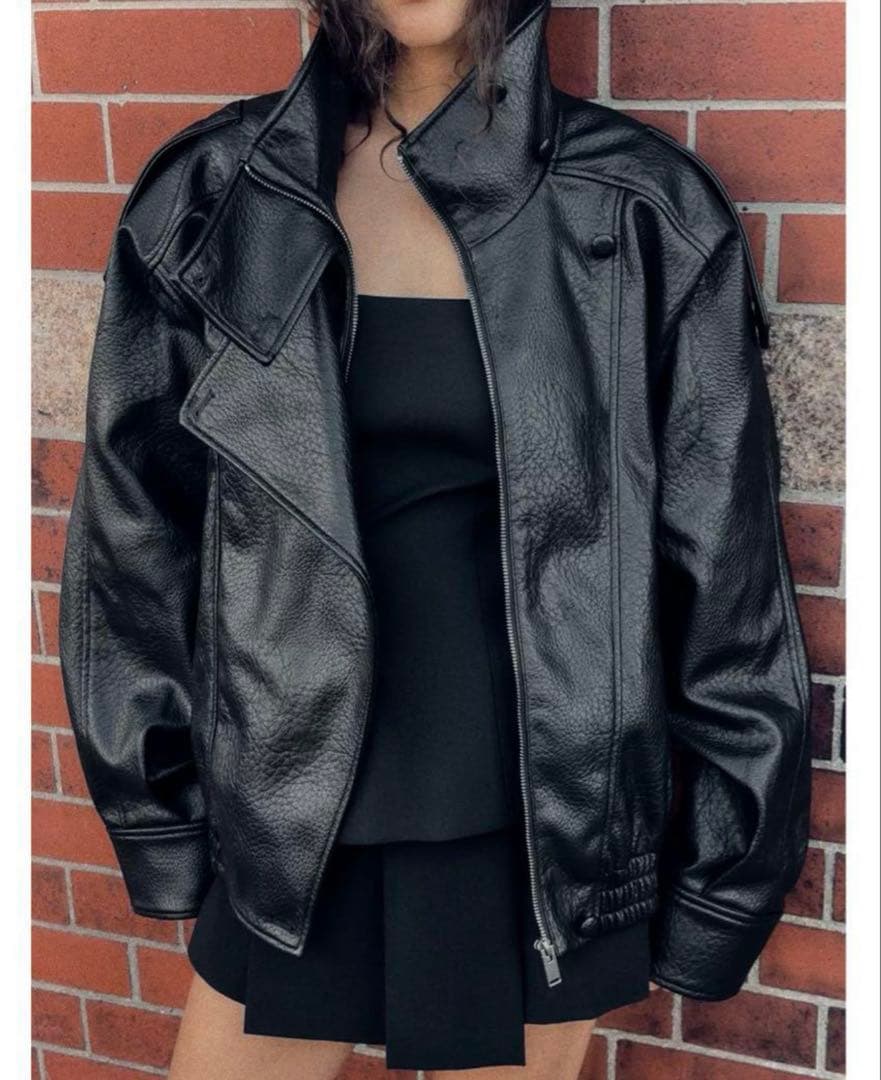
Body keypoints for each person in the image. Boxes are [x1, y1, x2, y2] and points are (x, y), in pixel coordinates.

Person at [57, 1, 812, 1077]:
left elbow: (725, 579)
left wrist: (724, 879)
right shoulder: (220, 193)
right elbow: (134, 541)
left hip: (542, 819)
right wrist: (157, 811)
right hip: (291, 801)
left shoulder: (641, 208)